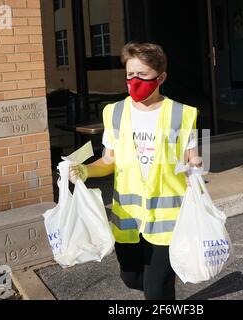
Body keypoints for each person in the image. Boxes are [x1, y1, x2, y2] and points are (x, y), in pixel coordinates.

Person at [69, 42, 201, 300]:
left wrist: (198, 187)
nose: (135, 81)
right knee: (131, 279)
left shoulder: (184, 114)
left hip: (167, 220)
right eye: (130, 75)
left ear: (161, 78)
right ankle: (164, 286)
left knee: (154, 290)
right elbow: (109, 160)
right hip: (128, 219)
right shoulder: (114, 113)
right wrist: (84, 171)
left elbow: (194, 160)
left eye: (143, 75)